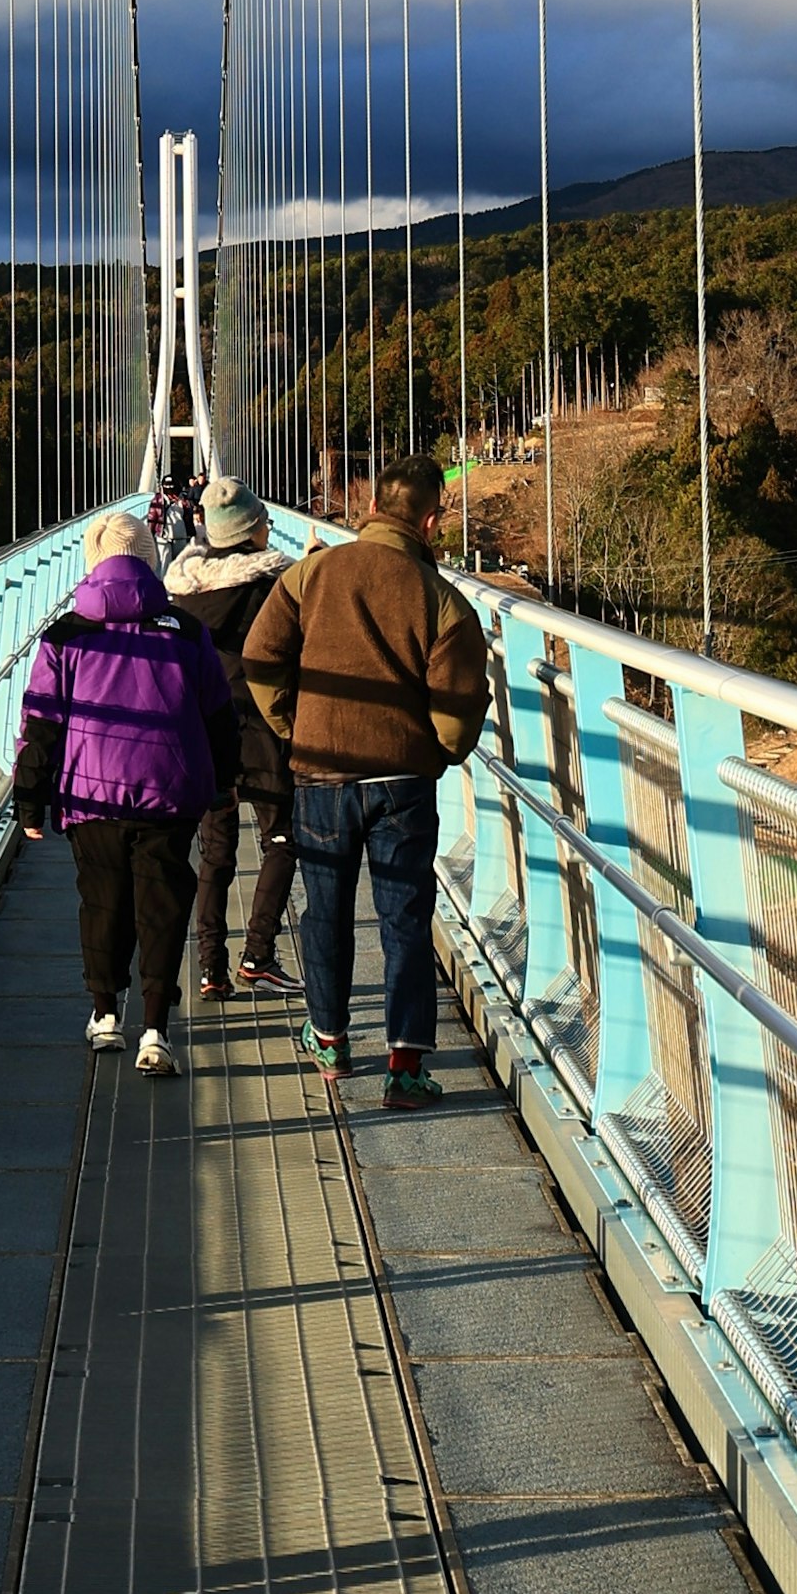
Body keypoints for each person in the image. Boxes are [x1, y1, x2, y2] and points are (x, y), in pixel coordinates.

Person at [243, 452, 489, 1112]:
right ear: (432, 520)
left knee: (325, 910)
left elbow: (260, 654)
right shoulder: (443, 600)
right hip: (403, 781)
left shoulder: (312, 572)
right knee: (404, 915)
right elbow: (459, 705)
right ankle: (405, 1066)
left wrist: (292, 723)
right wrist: (438, 748)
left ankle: (330, 1039)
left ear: (373, 507)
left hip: (319, 771)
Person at [8, 508, 235, 1072]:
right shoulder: (186, 631)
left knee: (102, 902)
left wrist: (30, 798)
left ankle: (106, 1015)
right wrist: (224, 784)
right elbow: (219, 717)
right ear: (151, 561)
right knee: (162, 906)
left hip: (91, 794)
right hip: (171, 792)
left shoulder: (65, 635)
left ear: (93, 562)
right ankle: (155, 1029)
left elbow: (42, 722)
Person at [165, 480, 293, 1004]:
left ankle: (210, 969)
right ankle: (258, 954)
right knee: (284, 839)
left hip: (206, 730)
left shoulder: (182, 596)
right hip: (263, 728)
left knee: (216, 852)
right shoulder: (274, 589)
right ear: (250, 532)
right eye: (262, 521)